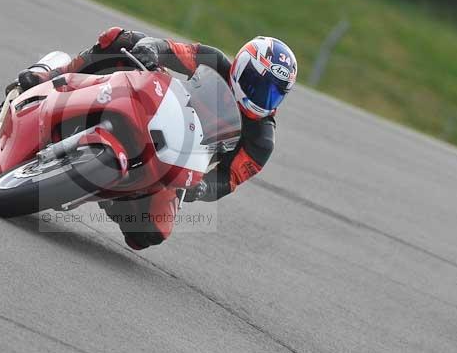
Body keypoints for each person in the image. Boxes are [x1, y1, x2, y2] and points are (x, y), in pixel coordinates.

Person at [17, 27, 297, 250]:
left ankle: (115, 194)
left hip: (175, 159)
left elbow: (230, 178)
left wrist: (203, 189)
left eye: (273, 93)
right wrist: (150, 50)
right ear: (241, 65)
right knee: (120, 39)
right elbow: (171, 50)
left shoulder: (261, 139)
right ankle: (52, 74)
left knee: (149, 234)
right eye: (257, 85)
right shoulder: (213, 61)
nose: (262, 97)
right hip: (154, 107)